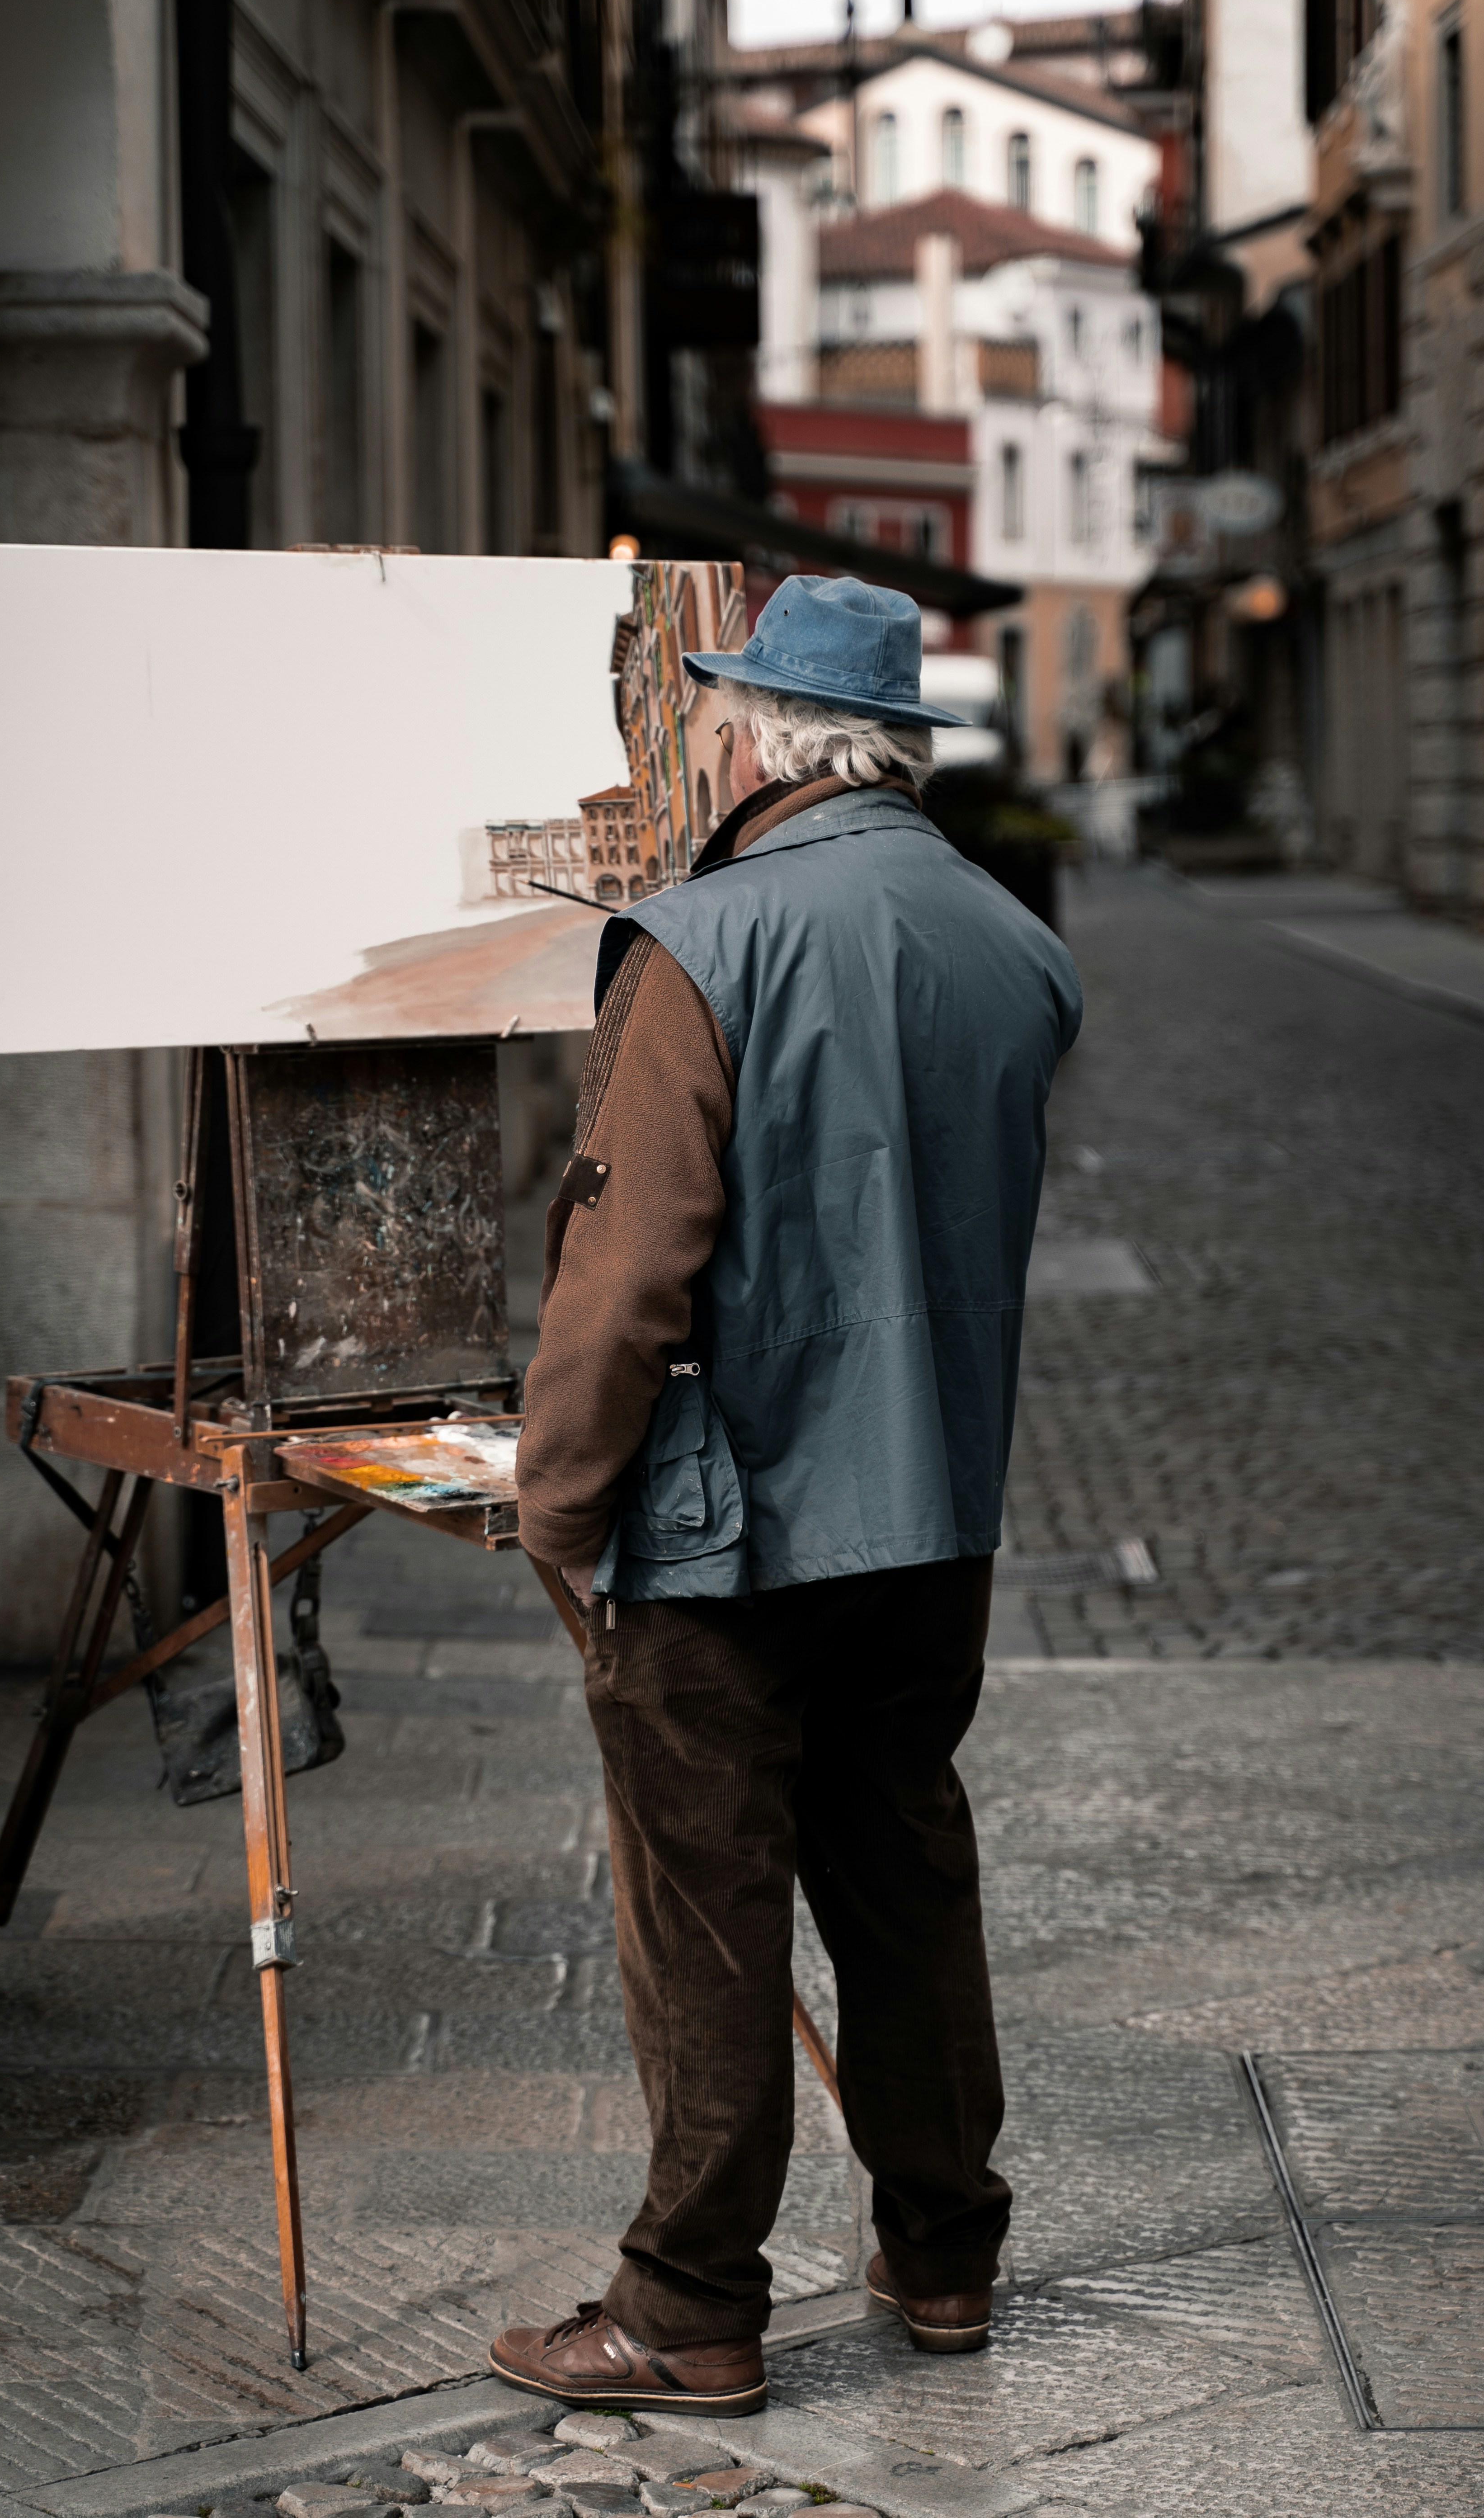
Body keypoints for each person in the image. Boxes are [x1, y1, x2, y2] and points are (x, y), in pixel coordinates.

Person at [491, 575, 1083, 2417]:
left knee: (710, 1902)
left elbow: (630, 1258)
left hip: (728, 1515)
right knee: (902, 1872)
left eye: (725, 720)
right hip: (933, 1515)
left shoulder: (701, 939)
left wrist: (551, 1495)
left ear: (756, 740)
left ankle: (684, 2310)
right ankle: (943, 2263)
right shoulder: (1012, 941)